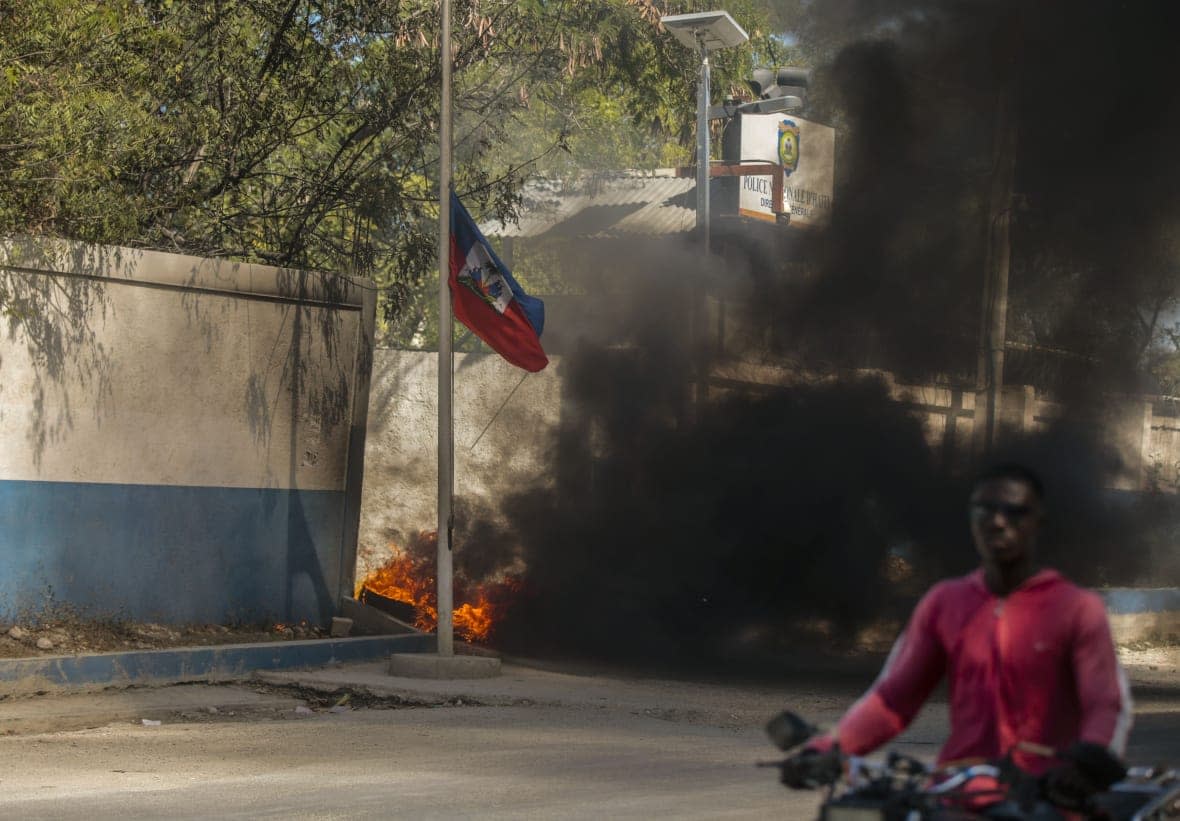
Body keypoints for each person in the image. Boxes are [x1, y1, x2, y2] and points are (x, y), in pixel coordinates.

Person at [791, 463, 1132, 793]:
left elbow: (1104, 703)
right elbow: (892, 700)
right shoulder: (944, 603)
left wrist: (1089, 760)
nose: (998, 522)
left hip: (1048, 794)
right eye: (985, 509)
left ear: (1038, 520)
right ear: (971, 518)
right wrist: (829, 748)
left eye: (1014, 511)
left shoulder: (1076, 608)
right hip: (959, 789)